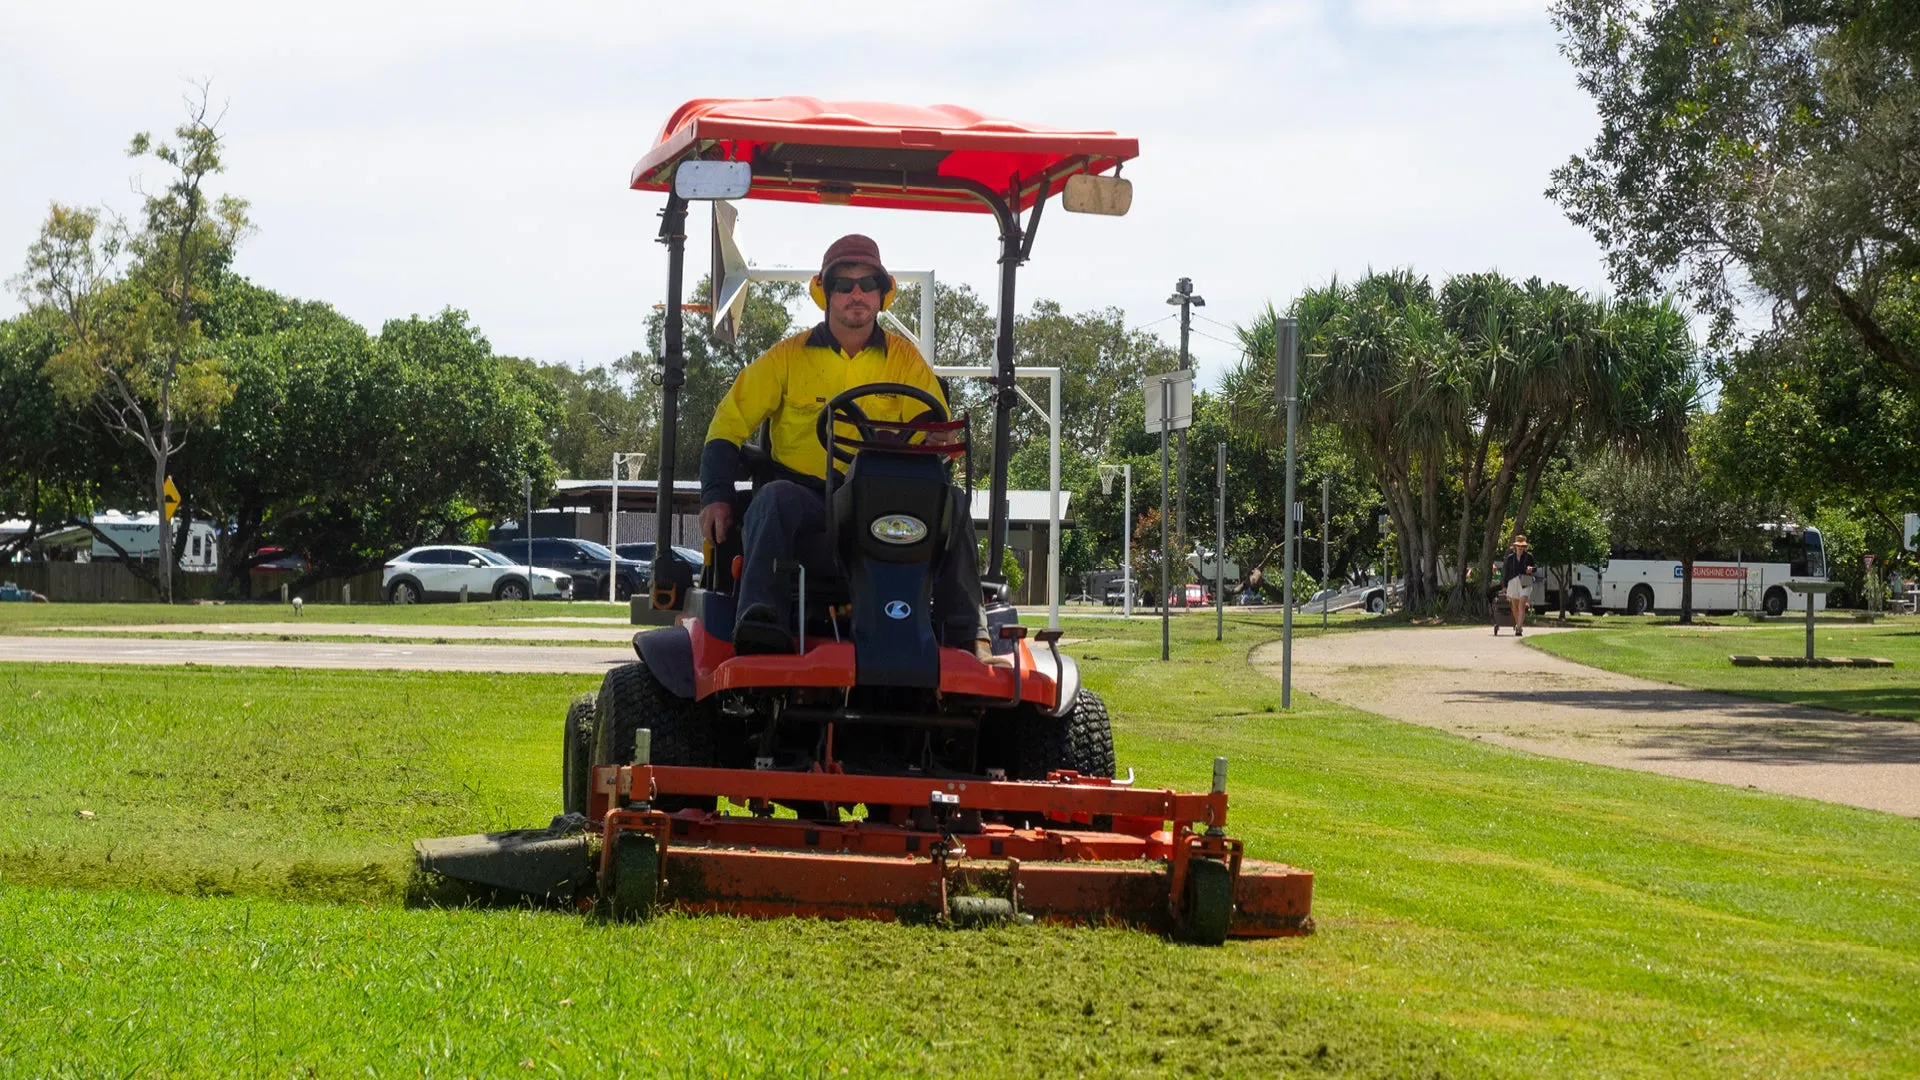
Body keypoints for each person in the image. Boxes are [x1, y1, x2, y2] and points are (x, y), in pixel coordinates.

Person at [697, 234, 1004, 664]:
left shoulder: (906, 361)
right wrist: (716, 496)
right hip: (809, 501)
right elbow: (727, 425)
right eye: (844, 285)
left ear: (881, 294)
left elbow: (937, 428)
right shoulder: (787, 358)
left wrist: (935, 439)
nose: (856, 294)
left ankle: (967, 633)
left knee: (951, 502)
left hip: (884, 502)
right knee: (771, 499)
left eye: (867, 284)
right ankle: (762, 622)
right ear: (826, 293)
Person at [1496, 534, 1537, 637]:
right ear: (1515, 547)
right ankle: (1518, 622)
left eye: (1522, 546)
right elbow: (1505, 573)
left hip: (1526, 580)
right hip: (1513, 581)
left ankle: (1519, 628)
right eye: (1519, 546)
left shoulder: (1529, 556)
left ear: (1525, 547)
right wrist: (1504, 586)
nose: (1520, 548)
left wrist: (1531, 569)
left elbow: (1535, 568)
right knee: (1514, 606)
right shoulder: (1510, 558)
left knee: (1521, 604)